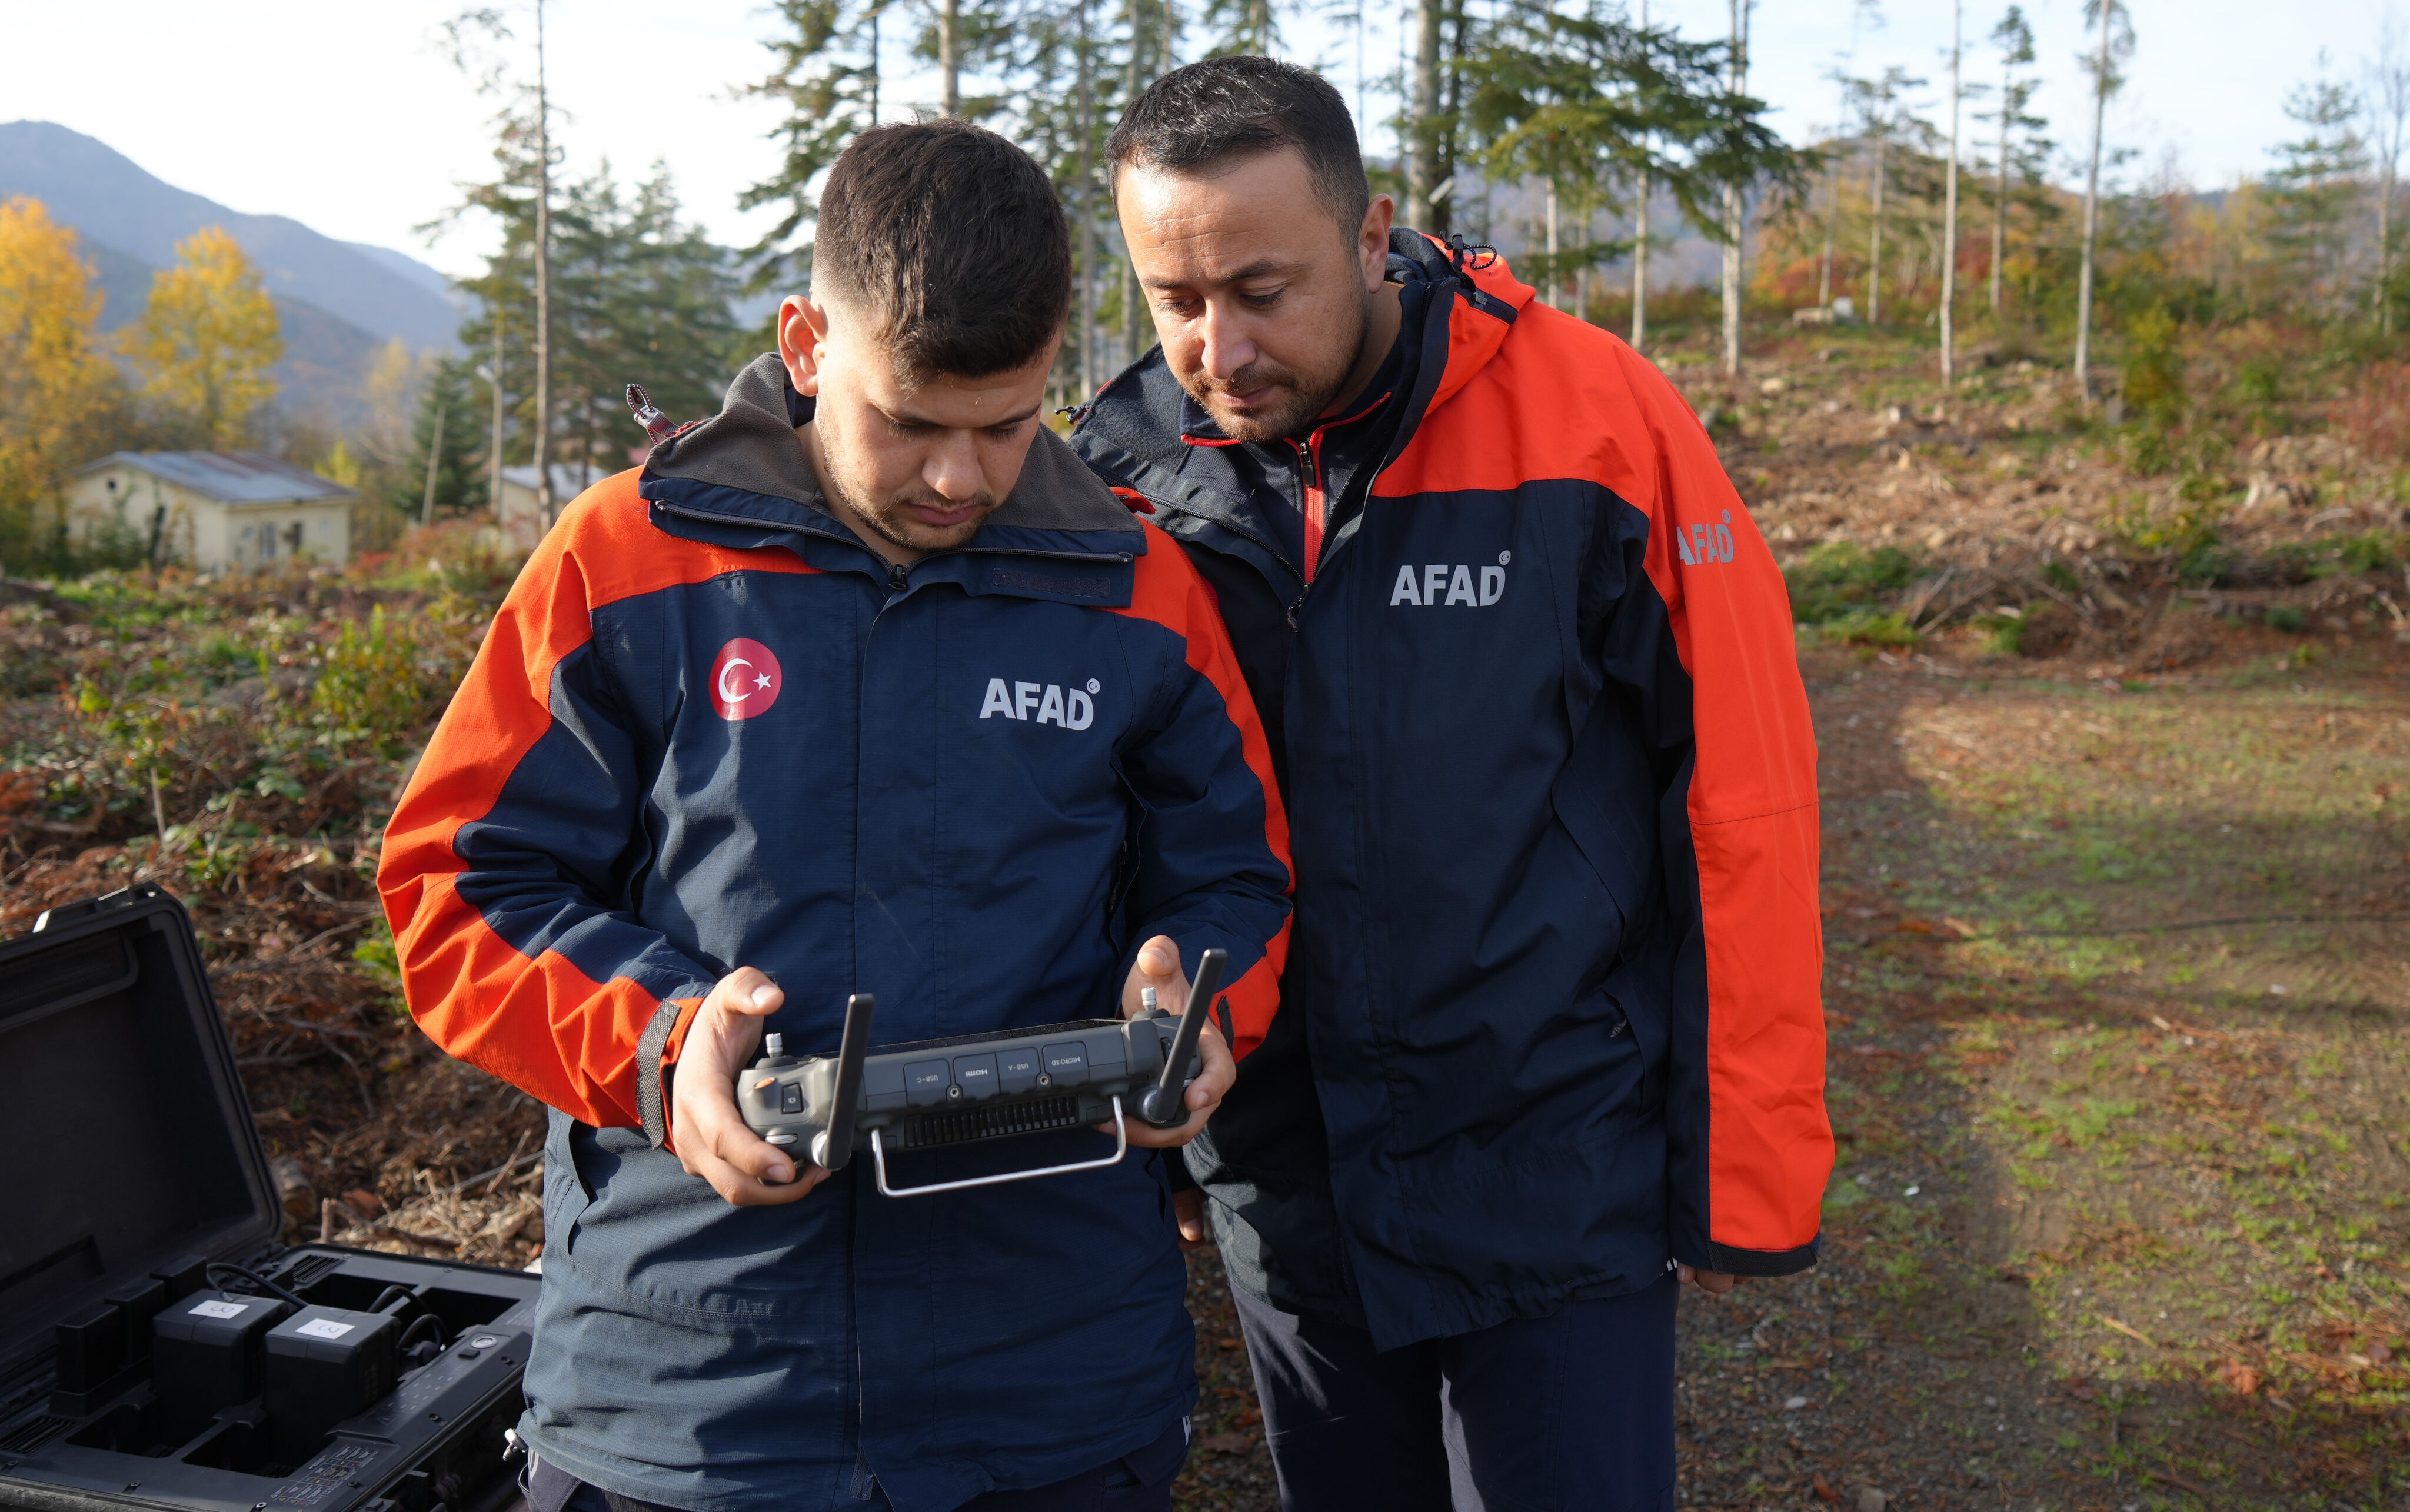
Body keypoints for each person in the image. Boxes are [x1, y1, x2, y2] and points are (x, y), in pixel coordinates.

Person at [378, 119, 1293, 1512]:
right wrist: (659, 1043)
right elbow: (456, 885)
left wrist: (1205, 1000)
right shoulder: (624, 559)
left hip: (1050, 1381)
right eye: (911, 422)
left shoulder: (1135, 587)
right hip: (687, 1390)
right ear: (807, 345)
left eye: (1005, 424)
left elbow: (1237, 878)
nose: (959, 479)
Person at [1071, 59, 1830, 1511]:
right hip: (1284, 1185)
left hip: (1554, 1164)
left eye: (1259, 286)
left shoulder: (1594, 420)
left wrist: (1736, 1159)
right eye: (1173, 300)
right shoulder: (1119, 482)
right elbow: (1096, 826)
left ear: (1372, 240)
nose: (1217, 348)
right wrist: (1144, 1142)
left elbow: (1740, 793)